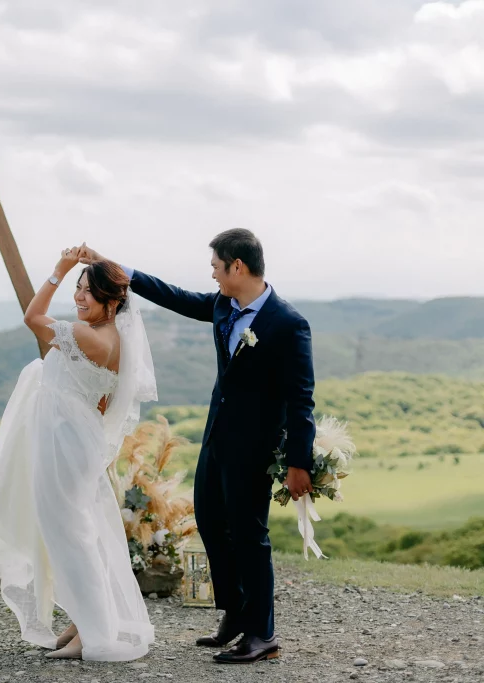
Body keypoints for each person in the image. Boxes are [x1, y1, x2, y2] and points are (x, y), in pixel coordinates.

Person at [79, 229, 316, 664]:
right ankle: (235, 613)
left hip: (255, 449)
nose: (212, 275)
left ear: (237, 267)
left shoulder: (287, 323)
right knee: (209, 523)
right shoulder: (223, 305)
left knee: (250, 536)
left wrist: (300, 461)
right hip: (216, 441)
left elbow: (302, 399)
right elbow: (173, 296)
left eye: (215, 266)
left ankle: (262, 634)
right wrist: (116, 269)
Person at [0, 246, 158, 661]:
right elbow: (105, 402)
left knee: (69, 536)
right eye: (78, 287)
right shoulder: (118, 342)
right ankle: (83, 622)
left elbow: (32, 318)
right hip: (78, 437)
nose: (78, 296)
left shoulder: (86, 335)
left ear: (112, 302)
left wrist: (59, 269)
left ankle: (94, 633)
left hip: (64, 442)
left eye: (89, 292)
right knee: (81, 532)